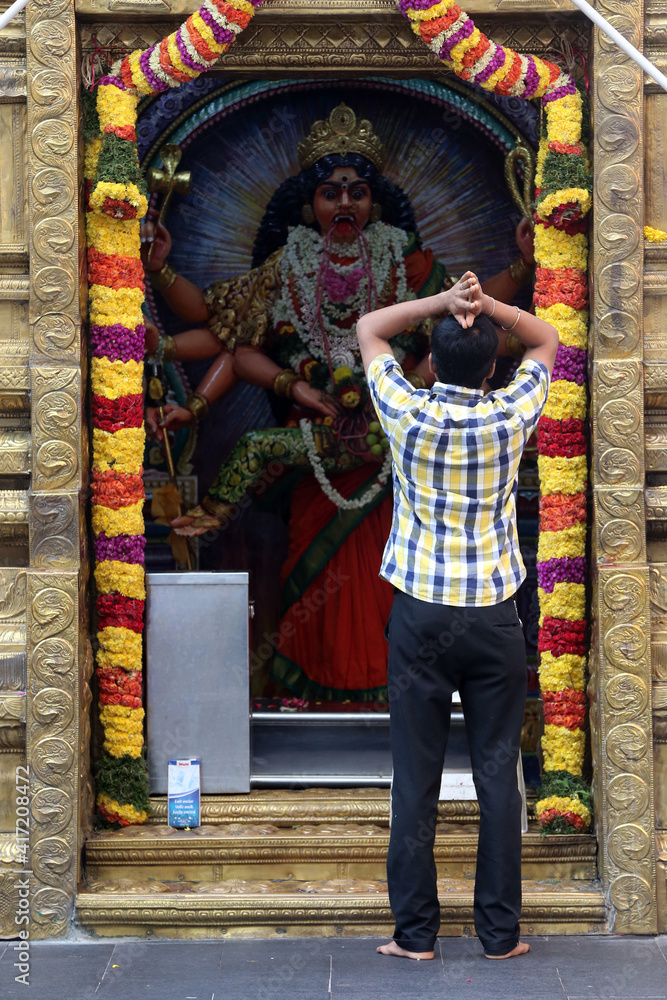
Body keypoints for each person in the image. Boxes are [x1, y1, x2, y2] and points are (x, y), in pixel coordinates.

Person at [144, 103, 536, 700]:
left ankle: (390, 689)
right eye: (331, 193)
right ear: (311, 205)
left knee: (380, 571)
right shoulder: (288, 264)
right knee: (308, 566)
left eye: (357, 192)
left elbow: (470, 301)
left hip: (391, 440)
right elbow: (219, 323)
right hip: (316, 439)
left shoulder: (406, 259)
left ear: (373, 202)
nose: (345, 205)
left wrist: (523, 263)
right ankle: (308, 682)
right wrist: (162, 271)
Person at [356, 272, 558, 960]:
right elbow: (548, 338)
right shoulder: (509, 414)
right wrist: (489, 306)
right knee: (498, 778)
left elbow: (369, 330)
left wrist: (444, 304)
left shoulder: (406, 412)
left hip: (419, 620)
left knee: (416, 780)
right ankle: (498, 937)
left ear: (434, 362)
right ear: (493, 366)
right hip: (493, 621)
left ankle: (415, 937)